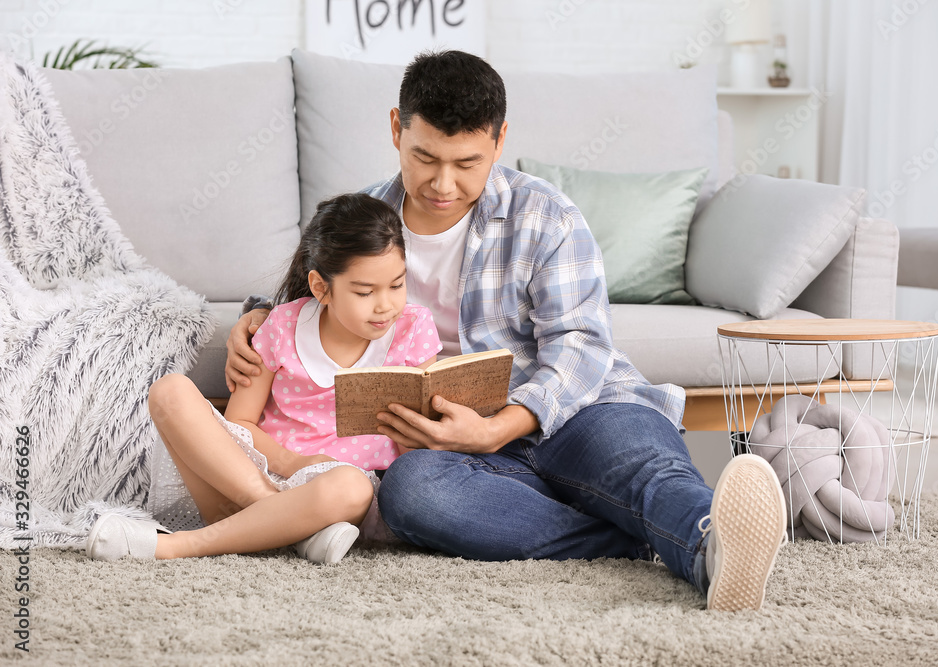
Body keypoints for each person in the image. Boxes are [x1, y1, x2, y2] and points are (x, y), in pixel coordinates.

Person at [225, 51, 788, 610]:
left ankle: (708, 544)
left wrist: (501, 427)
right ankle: (628, 537)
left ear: (499, 141)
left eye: (467, 162)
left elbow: (582, 346)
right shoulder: (363, 216)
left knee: (641, 466)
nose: (442, 183)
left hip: (579, 412)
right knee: (410, 494)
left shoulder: (546, 216)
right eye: (424, 157)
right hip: (452, 449)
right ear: (396, 129)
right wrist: (252, 320)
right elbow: (309, 297)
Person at [86, 193, 442, 564]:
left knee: (351, 486)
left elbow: (415, 440)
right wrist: (288, 464)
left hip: (337, 496)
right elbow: (239, 423)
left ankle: (179, 546)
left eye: (397, 285)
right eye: (365, 292)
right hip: (254, 477)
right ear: (321, 287)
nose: (385, 305)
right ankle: (287, 526)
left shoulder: (413, 330)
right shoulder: (282, 325)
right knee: (168, 391)